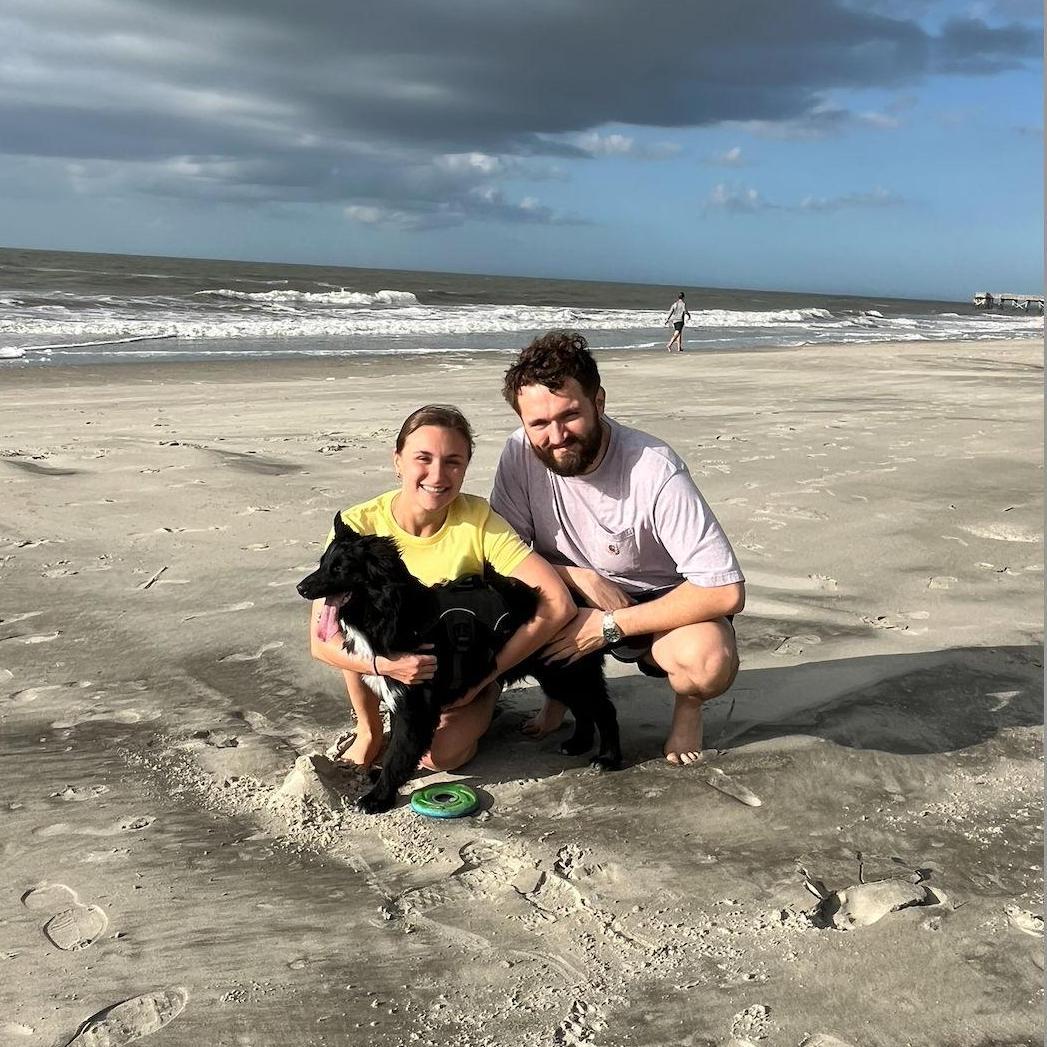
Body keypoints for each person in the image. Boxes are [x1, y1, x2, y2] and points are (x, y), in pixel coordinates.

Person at [490, 331, 745, 765]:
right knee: (487, 599)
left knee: (706, 661)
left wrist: (612, 624)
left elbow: (725, 591)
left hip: (657, 601)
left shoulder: (653, 467)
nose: (556, 436)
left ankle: (688, 707)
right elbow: (501, 553)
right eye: (538, 423)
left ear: (599, 402)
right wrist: (580, 578)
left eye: (570, 415)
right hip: (570, 591)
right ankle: (558, 698)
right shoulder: (519, 453)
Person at [308, 404, 574, 771]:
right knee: (358, 615)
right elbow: (323, 642)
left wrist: (488, 675)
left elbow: (558, 603)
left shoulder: (479, 520)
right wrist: (387, 665)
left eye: (453, 462)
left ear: (465, 467)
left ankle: (485, 706)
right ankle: (370, 728)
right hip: (382, 664)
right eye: (423, 458)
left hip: (463, 672)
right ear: (398, 460)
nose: (438, 474)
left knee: (437, 757)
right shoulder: (359, 526)